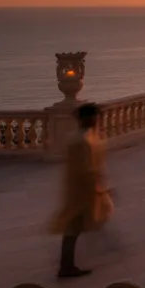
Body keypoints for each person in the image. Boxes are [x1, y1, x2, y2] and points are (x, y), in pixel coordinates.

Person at [50, 103, 114, 278]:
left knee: (75, 227)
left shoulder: (84, 137)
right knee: (73, 228)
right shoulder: (82, 140)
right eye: (95, 117)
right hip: (82, 192)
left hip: (80, 191)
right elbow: (87, 170)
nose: (97, 120)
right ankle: (66, 266)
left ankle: (67, 264)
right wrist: (100, 188)